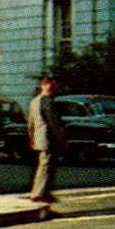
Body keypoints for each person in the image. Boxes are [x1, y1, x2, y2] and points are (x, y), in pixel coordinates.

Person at [26, 75, 68, 205]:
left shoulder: (34, 101)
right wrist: (63, 139)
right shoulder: (48, 101)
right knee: (46, 167)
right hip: (48, 138)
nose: (54, 89)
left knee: (46, 166)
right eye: (53, 86)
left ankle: (44, 192)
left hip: (39, 138)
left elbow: (30, 122)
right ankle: (38, 194)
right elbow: (54, 123)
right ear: (45, 86)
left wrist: (31, 138)